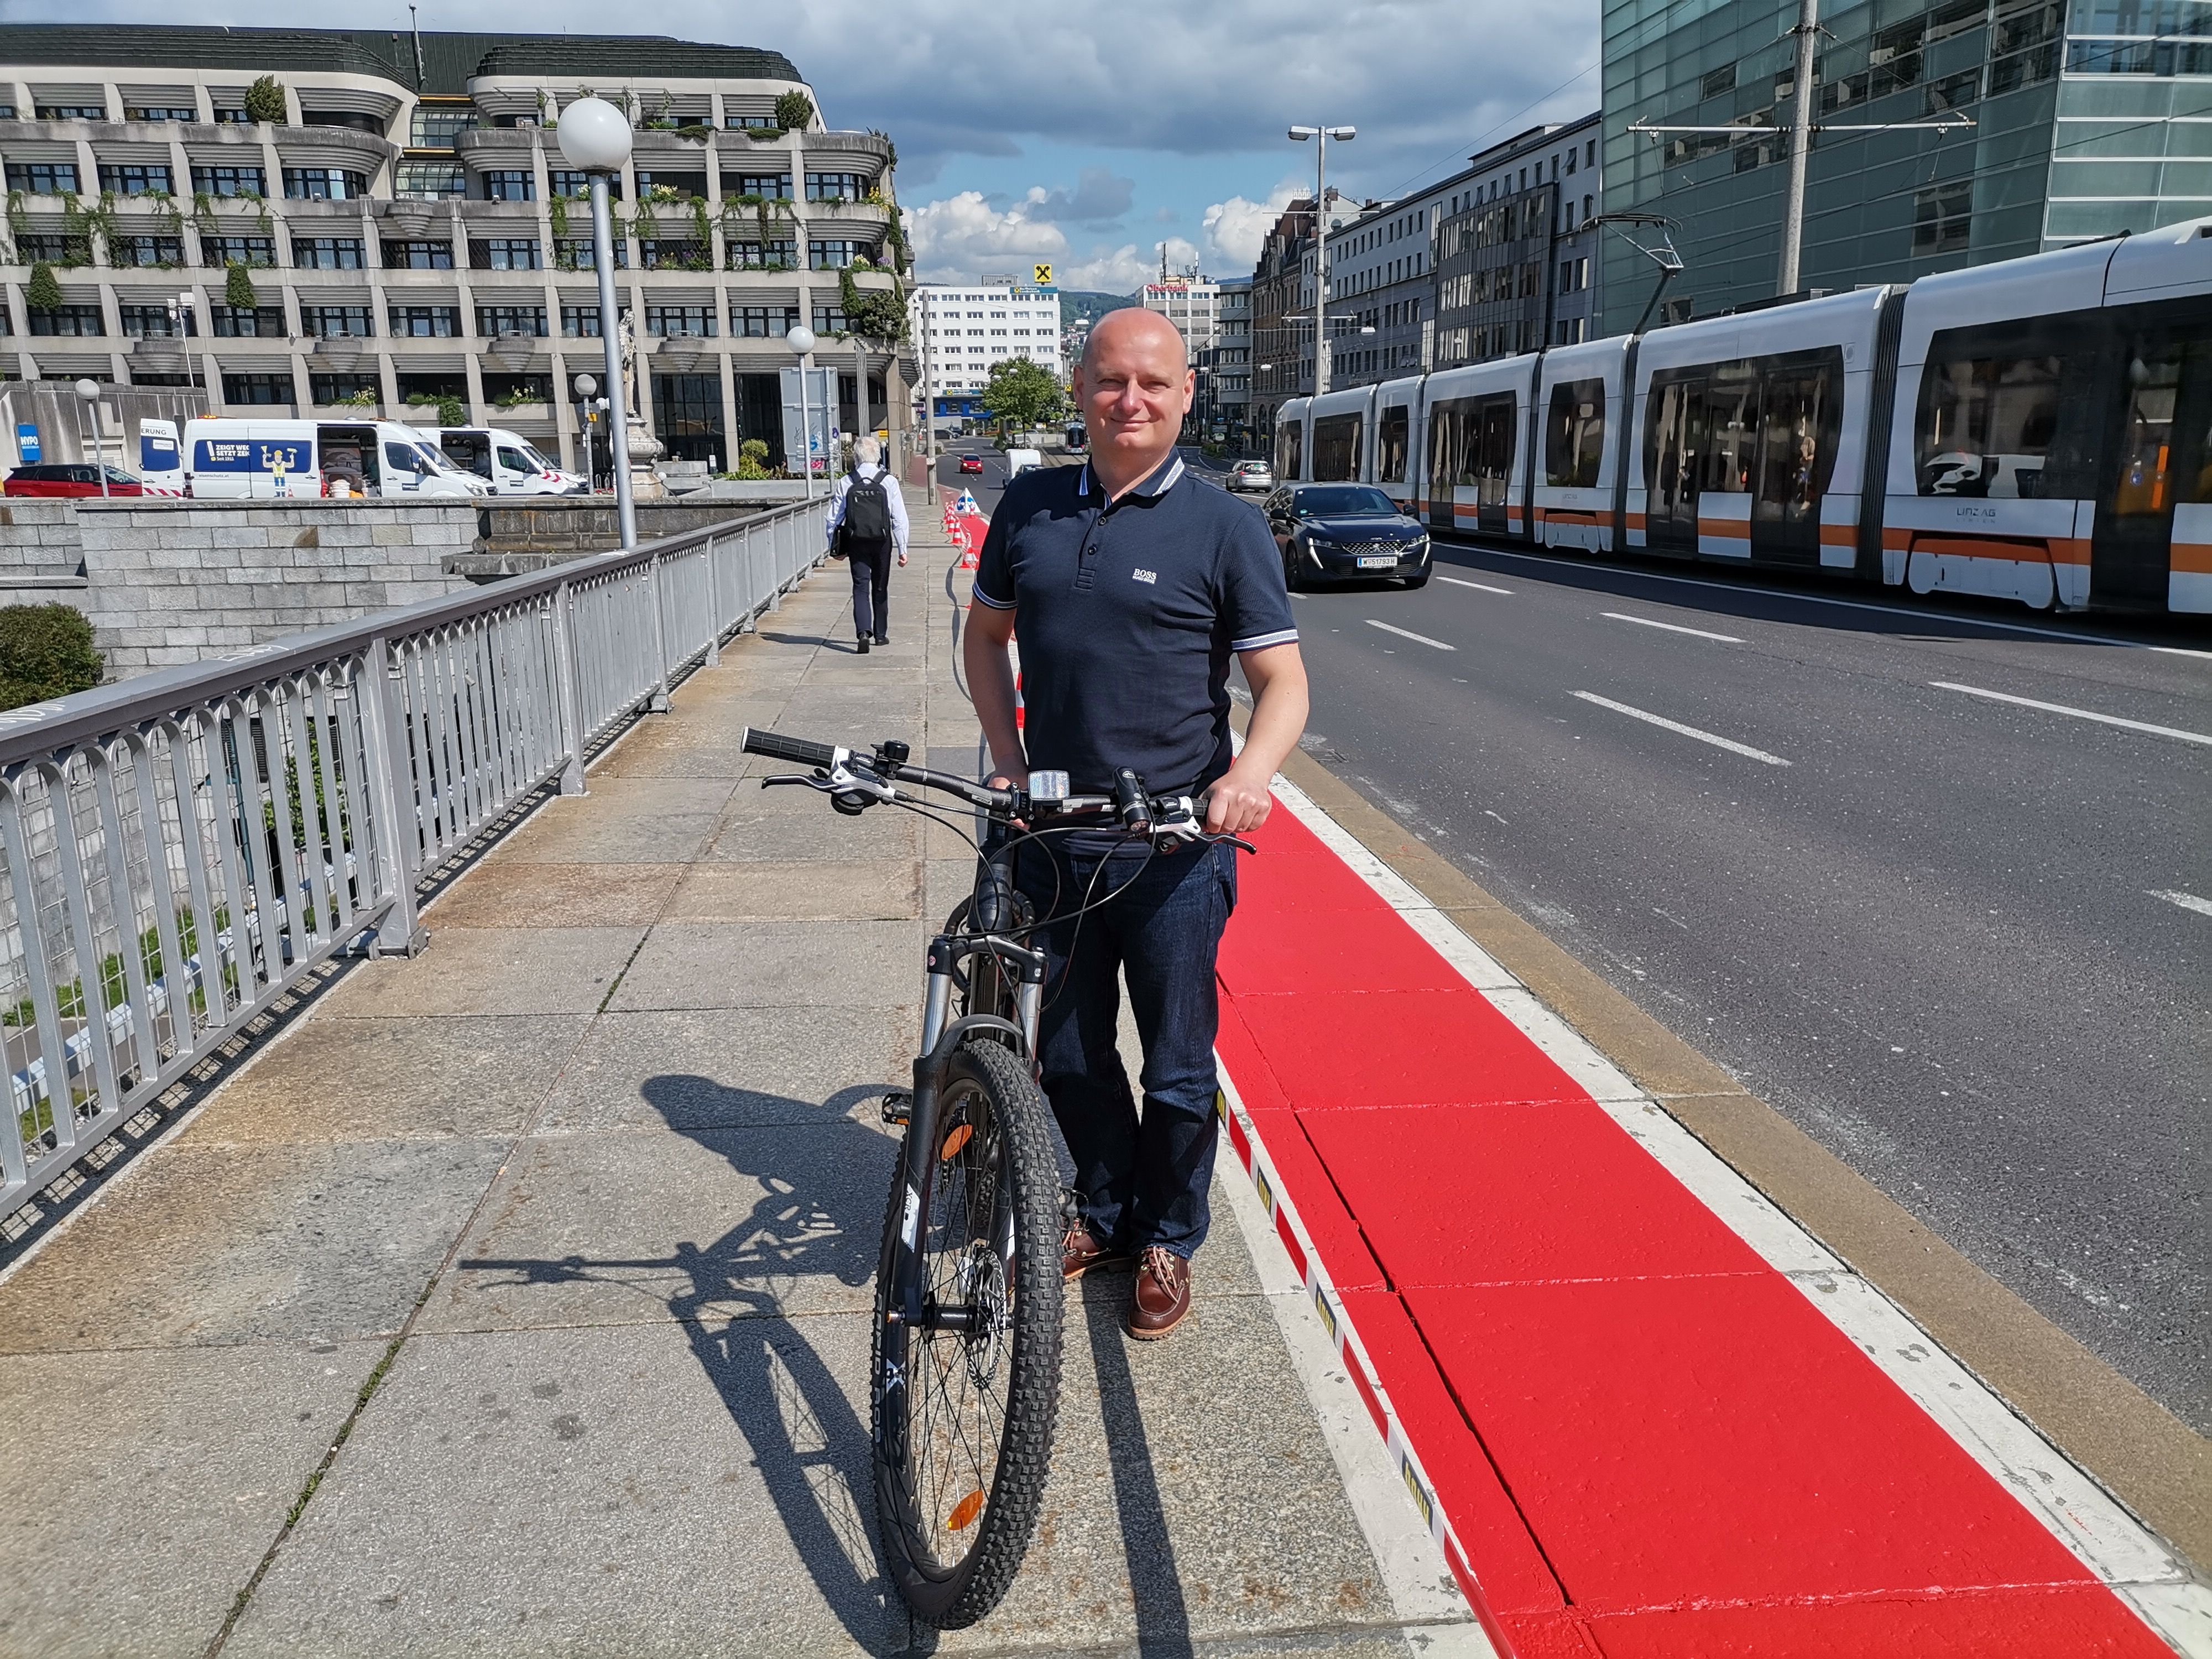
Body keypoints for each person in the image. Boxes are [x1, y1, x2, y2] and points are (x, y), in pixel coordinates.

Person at [963, 308, 1309, 1340]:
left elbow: (1282, 683)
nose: (1132, 401)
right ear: (1080, 389)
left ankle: (1169, 1233)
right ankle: (1106, 1212)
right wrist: (1011, 761)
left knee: (1176, 1063)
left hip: (1174, 851)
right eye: (1113, 382)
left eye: (1154, 385)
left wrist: (1249, 772)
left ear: (1187, 394)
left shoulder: (1225, 527)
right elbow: (985, 639)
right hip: (1053, 839)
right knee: (1067, 1055)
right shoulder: (1026, 509)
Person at [825, 436, 909, 653]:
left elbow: (833, 518)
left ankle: (863, 632)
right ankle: (880, 635)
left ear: (856, 457)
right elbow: (899, 518)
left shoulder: (847, 481)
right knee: (880, 587)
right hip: (882, 542)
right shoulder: (888, 481)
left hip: (856, 541)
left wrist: (835, 548)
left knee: (860, 587)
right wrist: (903, 549)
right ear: (877, 456)